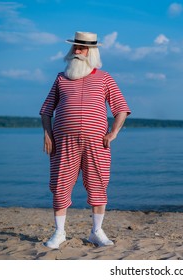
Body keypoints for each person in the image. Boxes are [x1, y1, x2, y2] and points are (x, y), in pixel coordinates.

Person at [40, 31, 131, 249]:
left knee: (98, 184)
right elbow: (46, 110)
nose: (77, 51)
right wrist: (47, 133)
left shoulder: (105, 78)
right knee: (60, 185)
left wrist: (114, 133)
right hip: (63, 143)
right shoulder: (61, 78)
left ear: (92, 52)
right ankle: (59, 233)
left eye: (82, 48)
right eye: (75, 47)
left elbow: (121, 108)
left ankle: (96, 232)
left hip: (96, 143)